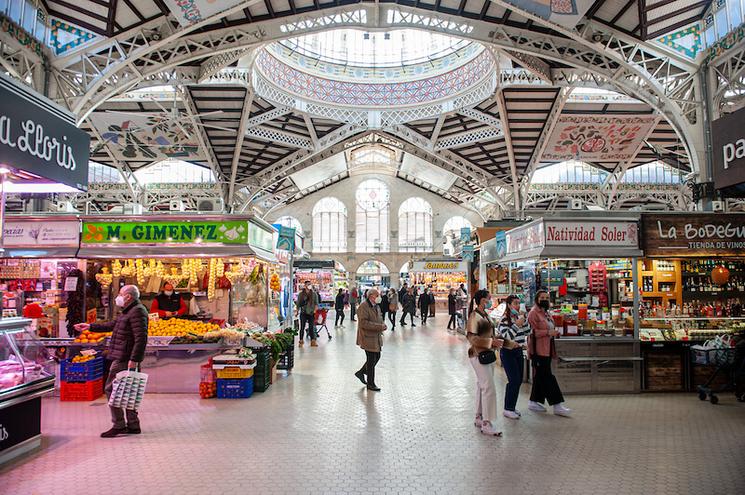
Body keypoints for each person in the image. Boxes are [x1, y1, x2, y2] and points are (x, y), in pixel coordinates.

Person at [74, 285, 148, 438]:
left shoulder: (137, 311)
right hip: (123, 355)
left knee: (111, 388)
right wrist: (90, 326)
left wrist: (134, 360)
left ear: (128, 297)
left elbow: (141, 339)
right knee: (129, 389)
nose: (118, 297)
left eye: (121, 294)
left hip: (125, 357)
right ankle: (133, 425)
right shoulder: (128, 311)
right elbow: (112, 325)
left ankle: (119, 424)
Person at [527, 290, 571, 417]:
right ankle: (557, 405)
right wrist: (548, 333)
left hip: (547, 349)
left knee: (540, 376)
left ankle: (533, 401)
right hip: (538, 350)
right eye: (542, 297)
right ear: (537, 299)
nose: (545, 299)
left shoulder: (546, 313)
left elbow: (549, 328)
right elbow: (531, 333)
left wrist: (555, 332)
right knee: (547, 377)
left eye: (547, 297)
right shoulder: (533, 314)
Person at [466, 289, 503, 437]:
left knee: (482, 386)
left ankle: (479, 417)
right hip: (478, 355)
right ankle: (487, 423)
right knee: (489, 388)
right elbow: (472, 338)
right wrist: (490, 342)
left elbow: (489, 334)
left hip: (486, 355)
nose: (490, 301)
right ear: (482, 300)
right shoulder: (474, 317)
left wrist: (501, 341)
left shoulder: (484, 315)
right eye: (489, 299)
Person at [498, 295, 530, 419]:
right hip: (508, 352)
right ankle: (508, 408)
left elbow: (528, 332)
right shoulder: (504, 320)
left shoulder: (519, 318)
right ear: (509, 305)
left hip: (518, 352)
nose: (517, 305)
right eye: (515, 303)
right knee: (514, 380)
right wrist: (516, 325)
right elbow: (508, 336)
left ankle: (512, 406)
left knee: (519, 380)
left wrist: (524, 320)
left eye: (518, 303)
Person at [354, 288, 387, 391]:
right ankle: (370, 384)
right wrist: (379, 326)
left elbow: (379, 318)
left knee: (377, 356)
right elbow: (363, 323)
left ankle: (361, 372)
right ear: (371, 296)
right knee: (371, 359)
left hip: (375, 336)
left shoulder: (376, 306)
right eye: (377, 295)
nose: (379, 297)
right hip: (367, 337)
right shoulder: (363, 307)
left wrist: (382, 325)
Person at [297, 280, 319, 347]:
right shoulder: (301, 294)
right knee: (302, 327)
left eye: (310, 284)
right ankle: (301, 341)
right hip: (303, 312)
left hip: (311, 313)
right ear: (305, 285)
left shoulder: (314, 294)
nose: (309, 285)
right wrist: (297, 311)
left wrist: (315, 310)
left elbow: (316, 303)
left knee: (311, 327)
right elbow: (298, 303)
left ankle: (313, 341)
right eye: (308, 284)